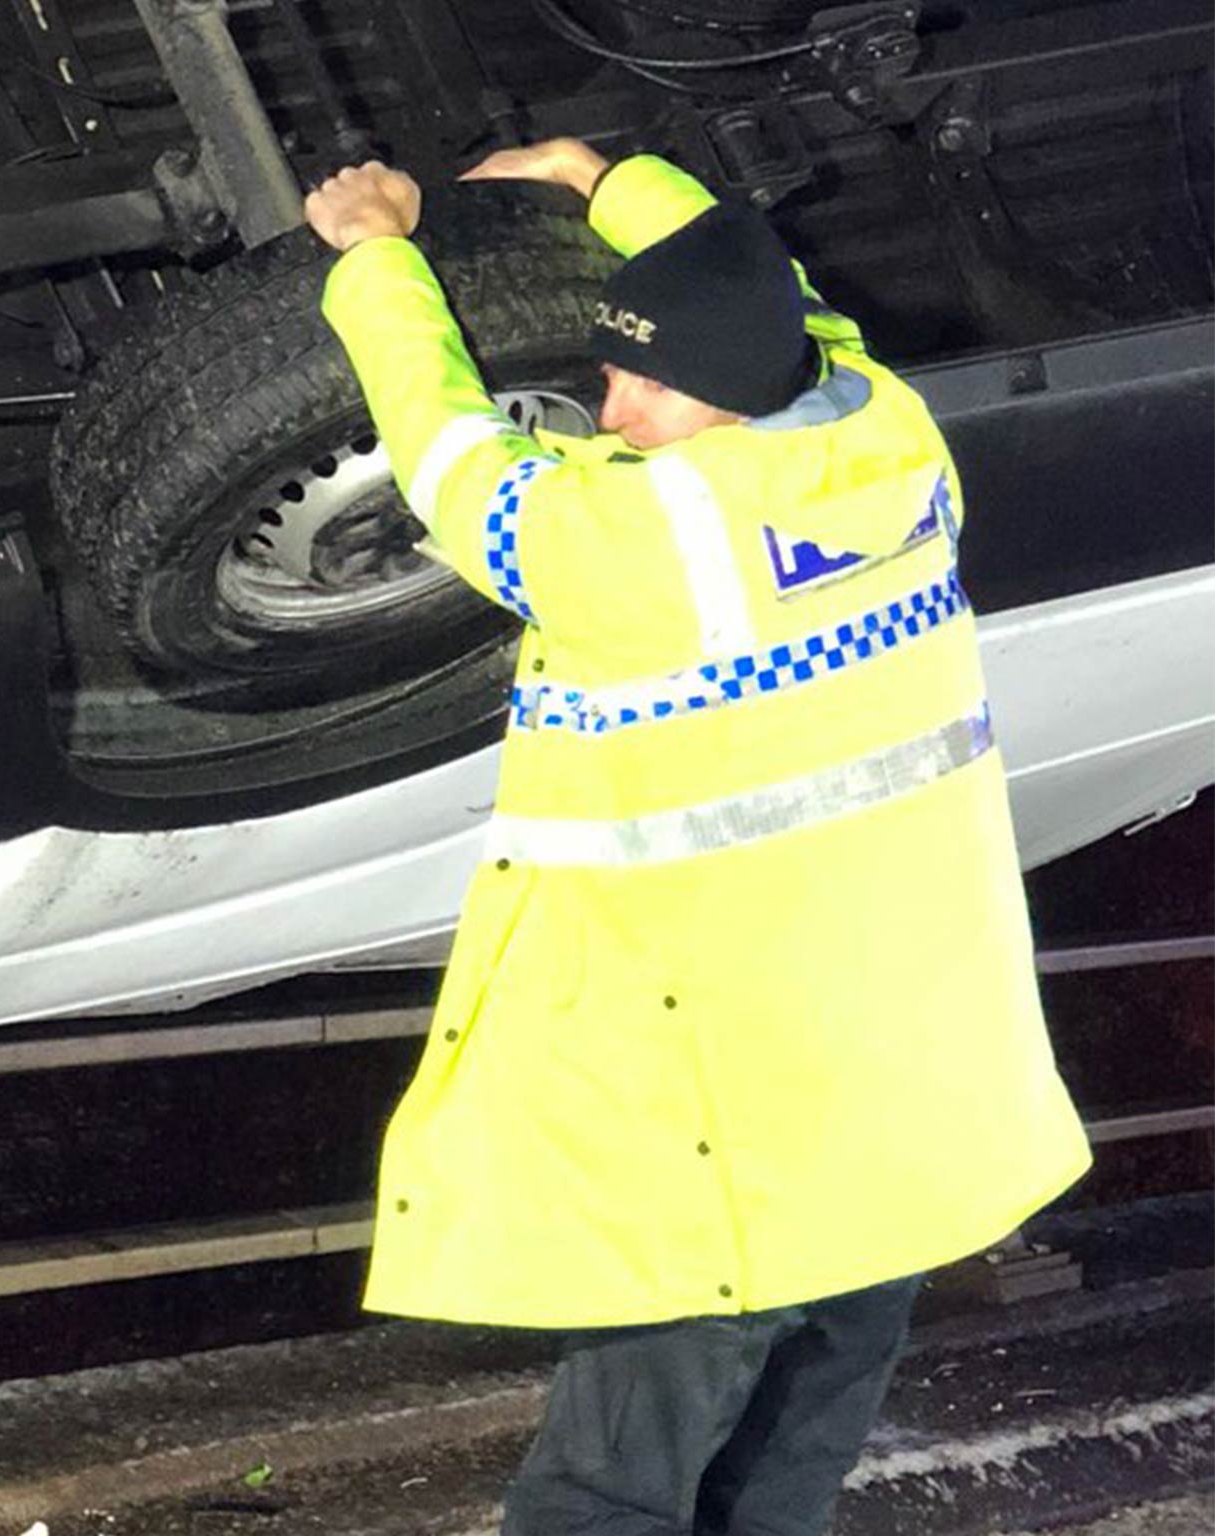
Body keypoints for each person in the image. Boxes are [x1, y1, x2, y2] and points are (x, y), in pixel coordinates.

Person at [302, 140, 1093, 1535]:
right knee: (784, 1476)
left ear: (726, 404)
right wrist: (615, 183)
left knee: (607, 1494)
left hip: (726, 1157)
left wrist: (374, 252)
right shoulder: (890, 440)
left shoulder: (644, 551)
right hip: (905, 1120)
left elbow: (448, 453)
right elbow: (789, 304)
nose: (606, 410)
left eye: (643, 387)